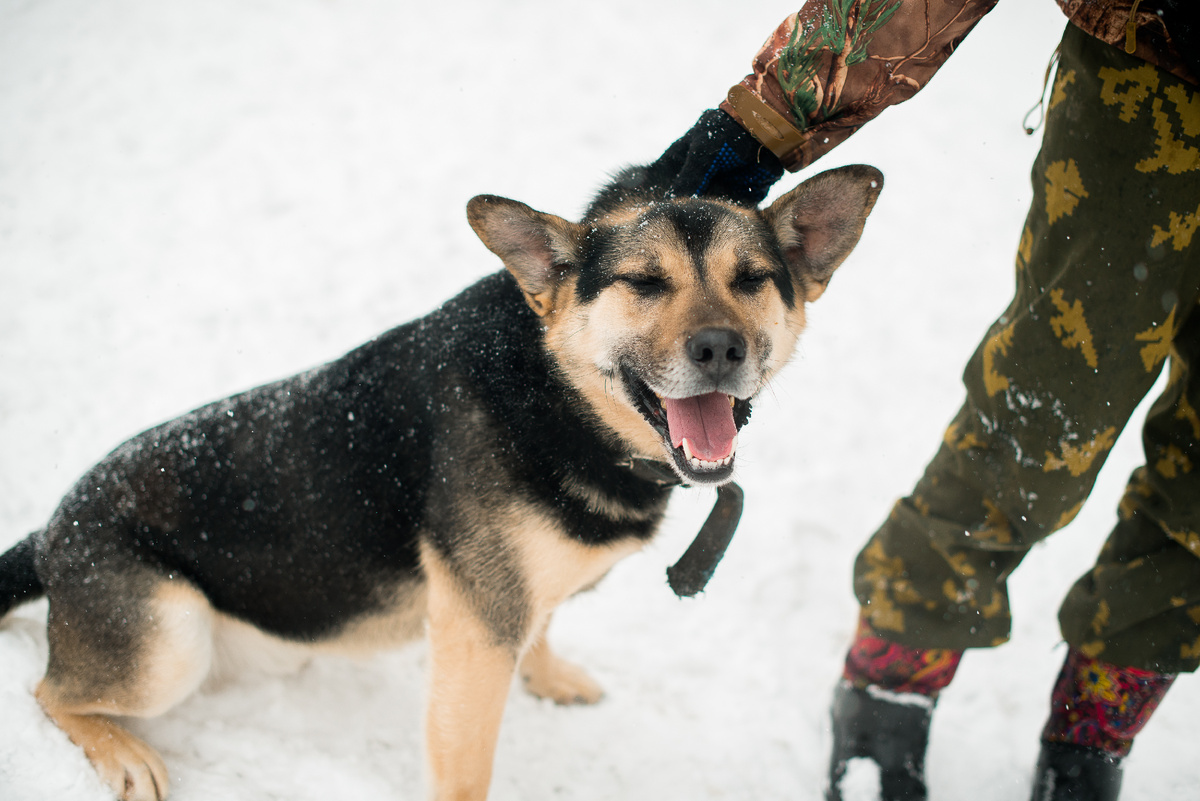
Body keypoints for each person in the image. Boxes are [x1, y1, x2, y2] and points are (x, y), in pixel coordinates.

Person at [639, 2, 1199, 800]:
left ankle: (1094, 736)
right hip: (1159, 77)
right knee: (1046, 415)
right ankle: (891, 678)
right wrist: (759, 125)